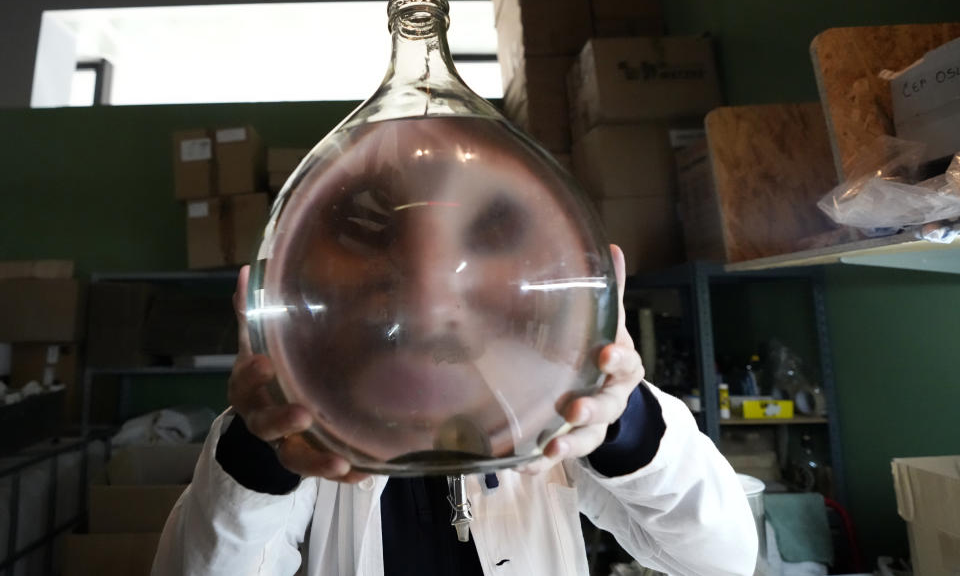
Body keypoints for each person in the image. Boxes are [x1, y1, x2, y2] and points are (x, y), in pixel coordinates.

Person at [152, 240, 757, 576]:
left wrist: (624, 423)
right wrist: (260, 456)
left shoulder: (549, 397)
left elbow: (718, 557)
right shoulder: (315, 419)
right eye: (400, 268)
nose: (431, 298)